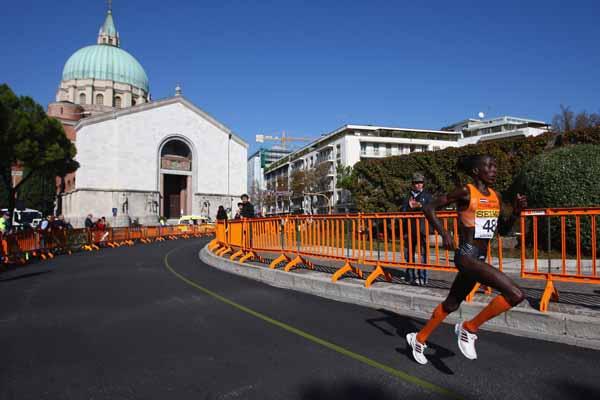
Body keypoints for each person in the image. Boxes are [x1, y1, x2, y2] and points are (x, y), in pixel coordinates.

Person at [406, 154, 527, 365]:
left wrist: (516, 213)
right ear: (476, 171)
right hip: (466, 255)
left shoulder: (495, 196)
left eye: (495, 165)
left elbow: (504, 229)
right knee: (515, 294)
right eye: (488, 166)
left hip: (478, 258)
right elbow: (429, 207)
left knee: (451, 304)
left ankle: (419, 338)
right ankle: (468, 328)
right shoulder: (465, 191)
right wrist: (444, 234)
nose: (494, 169)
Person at [401, 172, 432, 286]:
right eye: (416, 183)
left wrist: (420, 206)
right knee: (408, 254)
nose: (418, 185)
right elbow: (402, 211)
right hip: (409, 229)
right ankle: (410, 276)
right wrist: (408, 206)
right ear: (412, 184)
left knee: (422, 254)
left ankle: (422, 277)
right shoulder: (407, 196)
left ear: (423, 184)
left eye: (420, 183)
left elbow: (431, 209)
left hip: (422, 229)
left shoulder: (427, 196)